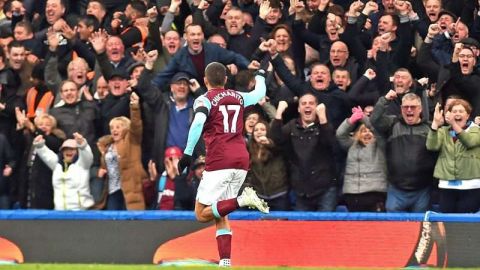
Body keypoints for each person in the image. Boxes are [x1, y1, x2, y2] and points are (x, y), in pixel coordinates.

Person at [176, 62, 269, 267]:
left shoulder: (205, 99)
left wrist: (187, 154)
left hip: (220, 159)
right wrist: (261, 73)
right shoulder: (239, 96)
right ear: (226, 80)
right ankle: (225, 261)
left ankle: (242, 200)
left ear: (205, 80)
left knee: (201, 214)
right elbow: (260, 91)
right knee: (220, 211)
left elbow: (198, 122)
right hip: (241, 159)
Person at [370, 92, 436, 212]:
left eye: (413, 107)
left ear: (420, 108)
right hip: (396, 189)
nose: (409, 110)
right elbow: (374, 120)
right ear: (401, 109)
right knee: (394, 228)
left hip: (422, 190)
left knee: (420, 228)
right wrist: (384, 99)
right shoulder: (392, 124)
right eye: (406, 107)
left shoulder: (430, 128)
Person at [96, 92, 148, 210]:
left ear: (125, 128)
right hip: (112, 191)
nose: (114, 130)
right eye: (112, 128)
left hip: (130, 191)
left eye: (118, 127)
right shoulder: (107, 146)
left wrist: (134, 106)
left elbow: (136, 125)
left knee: (132, 225)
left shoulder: (131, 140)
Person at [427, 100, 480, 213]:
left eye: (461, 111)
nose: (457, 114)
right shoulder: (443, 131)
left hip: (470, 186)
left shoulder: (476, 130)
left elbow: (469, 142)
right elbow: (432, 146)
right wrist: (435, 124)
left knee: (465, 225)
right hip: (447, 185)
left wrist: (454, 124)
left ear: (468, 115)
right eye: (454, 111)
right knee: (447, 224)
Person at [336, 107, 387, 212]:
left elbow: (377, 130)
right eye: (363, 131)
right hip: (352, 194)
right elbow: (340, 135)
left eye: (369, 131)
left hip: (374, 193)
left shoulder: (380, 145)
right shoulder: (351, 145)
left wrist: (364, 118)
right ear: (358, 134)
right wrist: (351, 121)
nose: (367, 133)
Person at [32, 132, 94, 210]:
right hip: (59, 212)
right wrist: (40, 145)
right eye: (65, 149)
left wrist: (82, 144)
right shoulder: (57, 165)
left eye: (72, 149)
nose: (68, 151)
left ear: (78, 151)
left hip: (81, 212)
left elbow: (87, 156)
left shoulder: (83, 164)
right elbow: (46, 154)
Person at [245, 120, 290, 210]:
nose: (259, 132)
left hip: (278, 195)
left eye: (262, 129)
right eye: (256, 130)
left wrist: (268, 143)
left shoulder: (275, 146)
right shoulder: (249, 148)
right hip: (258, 196)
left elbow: (277, 148)